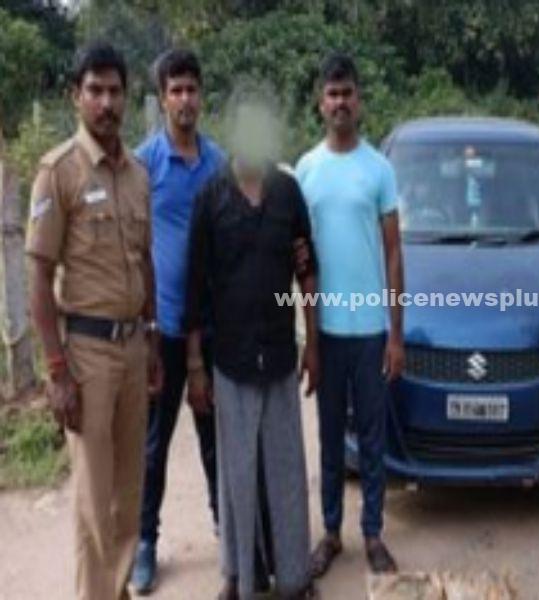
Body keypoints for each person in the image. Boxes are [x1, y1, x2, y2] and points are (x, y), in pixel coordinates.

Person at [26, 42, 163, 600]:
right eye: (95, 91)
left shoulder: (137, 175)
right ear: (75, 97)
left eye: (115, 91)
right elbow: (38, 277)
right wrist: (57, 371)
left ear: (127, 98)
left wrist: (152, 338)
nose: (106, 103)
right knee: (92, 502)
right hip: (86, 357)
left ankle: (116, 592)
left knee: (127, 497)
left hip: (132, 349)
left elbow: (145, 262)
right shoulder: (58, 172)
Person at [185, 90, 318, 599]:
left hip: (281, 354)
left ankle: (294, 576)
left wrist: (314, 344)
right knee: (237, 474)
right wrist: (195, 366)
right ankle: (239, 576)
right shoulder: (210, 198)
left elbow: (307, 270)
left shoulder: (287, 192)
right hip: (231, 359)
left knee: (286, 472)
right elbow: (195, 288)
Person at [294, 52, 405, 576]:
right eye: (332, 94)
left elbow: (394, 253)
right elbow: (300, 260)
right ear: (321, 103)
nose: (340, 102)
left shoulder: (380, 170)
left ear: (359, 102)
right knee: (330, 438)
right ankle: (332, 533)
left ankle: (374, 533)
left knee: (374, 440)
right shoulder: (305, 171)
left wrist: (396, 334)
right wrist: (308, 340)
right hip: (328, 334)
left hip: (371, 332)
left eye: (347, 94)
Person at [130, 48, 225, 594]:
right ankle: (145, 541)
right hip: (163, 328)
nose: (185, 99)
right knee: (154, 444)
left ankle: (225, 528)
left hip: (211, 328)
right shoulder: (143, 164)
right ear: (163, 98)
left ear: (201, 96)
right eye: (176, 90)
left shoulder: (217, 163)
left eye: (192, 89)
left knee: (216, 437)